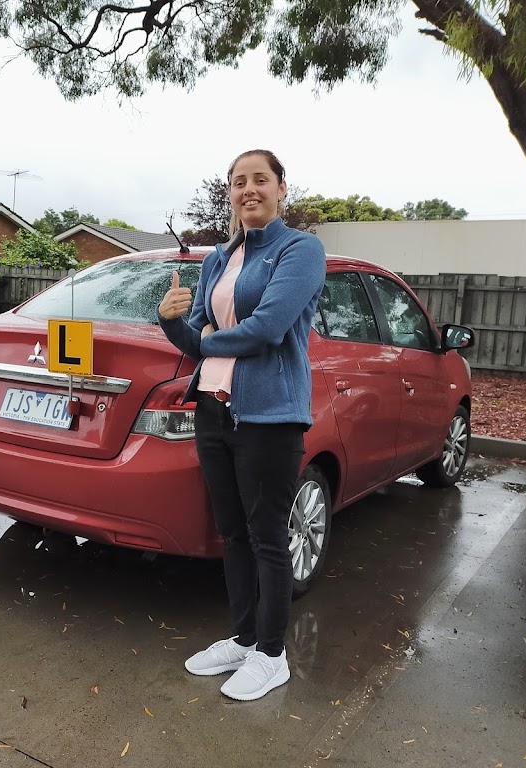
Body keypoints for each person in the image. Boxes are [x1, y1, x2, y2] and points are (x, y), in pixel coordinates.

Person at [156, 149, 326, 701]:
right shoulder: (217, 260)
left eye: (260, 180)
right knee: (231, 533)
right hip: (213, 408)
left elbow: (268, 327)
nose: (248, 189)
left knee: (268, 538)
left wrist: (204, 337)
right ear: (229, 193)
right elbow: (197, 341)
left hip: (269, 415)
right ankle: (245, 636)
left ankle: (272, 655)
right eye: (238, 182)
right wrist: (171, 322)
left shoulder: (300, 250)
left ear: (281, 188)